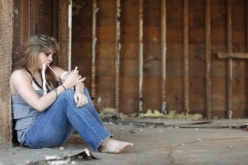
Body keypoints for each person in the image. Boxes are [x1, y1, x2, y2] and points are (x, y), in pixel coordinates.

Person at [10, 34, 133, 153]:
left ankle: (104, 139)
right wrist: (65, 86)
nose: (50, 59)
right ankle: (104, 143)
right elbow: (39, 105)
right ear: (33, 52)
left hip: (56, 135)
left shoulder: (48, 71)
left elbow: (77, 80)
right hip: (33, 136)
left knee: (77, 91)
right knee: (67, 95)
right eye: (47, 54)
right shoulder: (19, 75)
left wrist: (79, 92)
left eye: (52, 55)